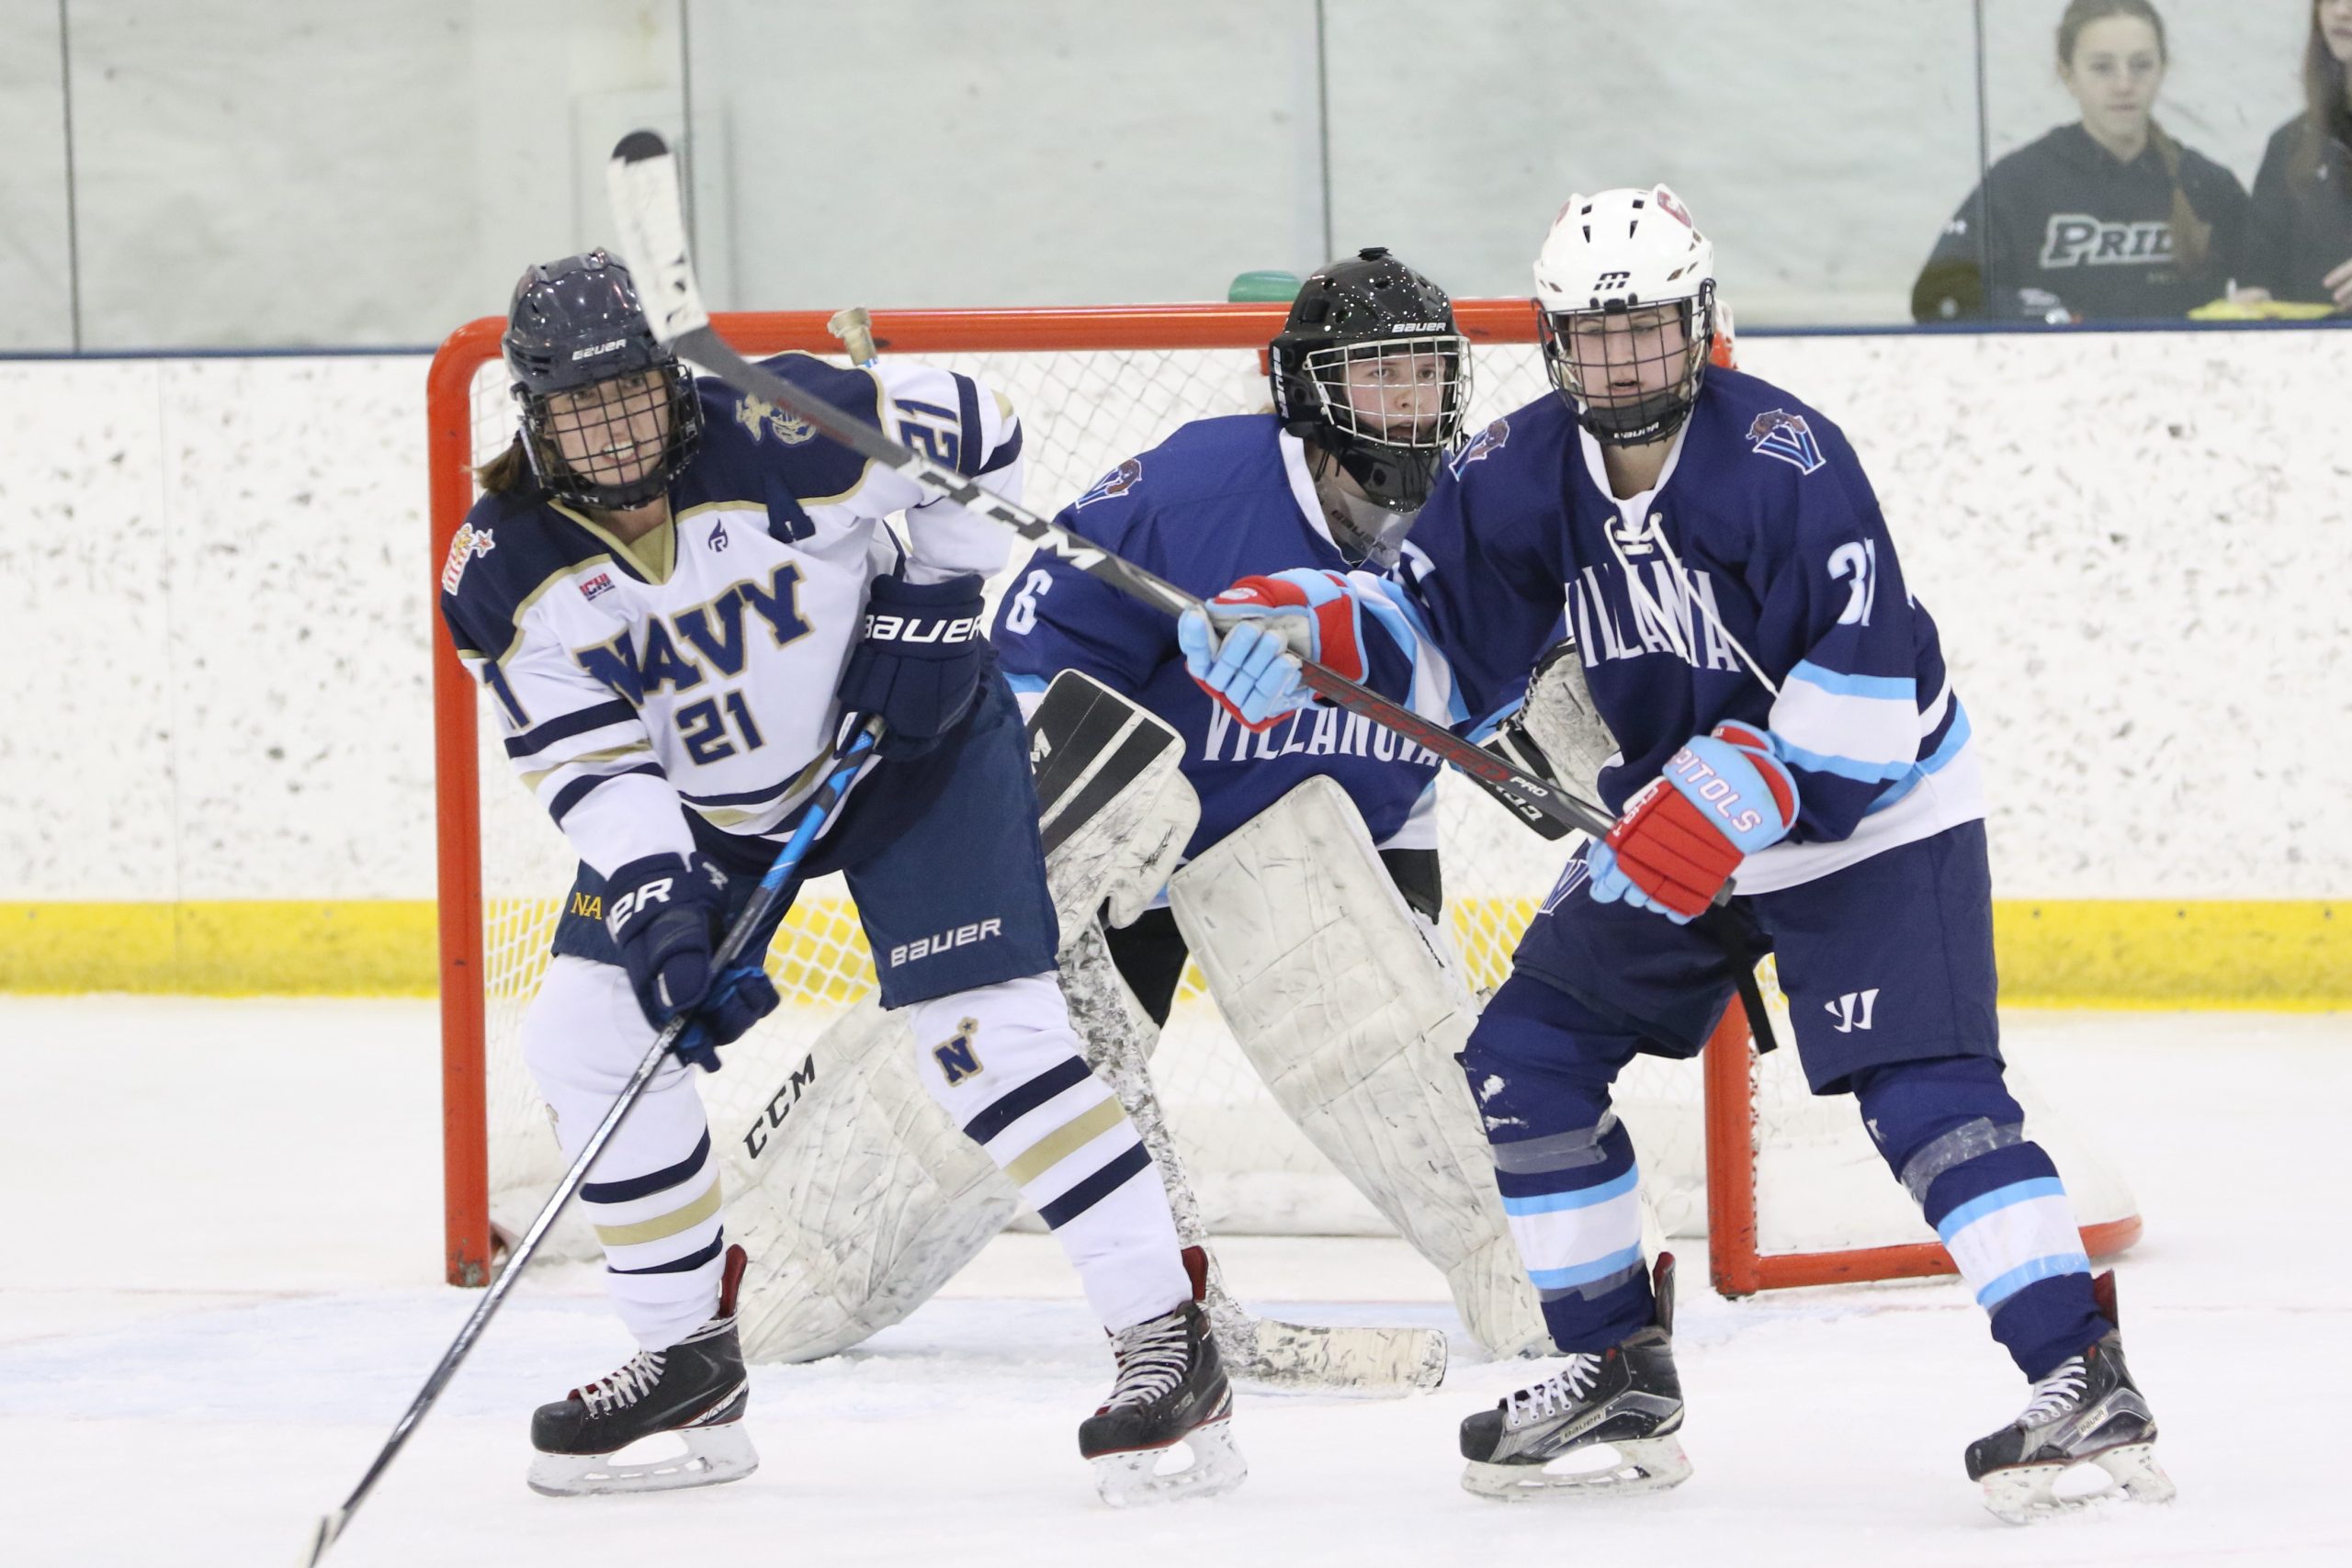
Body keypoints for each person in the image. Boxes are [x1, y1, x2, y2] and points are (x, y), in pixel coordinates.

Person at [1180, 186, 2173, 1521]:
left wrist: (1742, 780)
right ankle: (1612, 1367)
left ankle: (2080, 1370)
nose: (1624, 363)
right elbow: (1438, 646)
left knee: (1927, 1096)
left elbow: (1870, 690)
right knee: (1524, 1062)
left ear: (1699, 324)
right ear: (1550, 341)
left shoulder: (1787, 458)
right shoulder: (1520, 471)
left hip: (1870, 816)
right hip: (1677, 824)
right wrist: (1313, 632)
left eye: (1649, 331)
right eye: (1595, 336)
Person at [439, 250, 1241, 1506]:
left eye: (633, 395)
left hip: (914, 756)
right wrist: (657, 900)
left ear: (670, 382)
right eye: (578, 409)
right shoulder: (503, 571)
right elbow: (591, 761)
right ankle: (683, 1350)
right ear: (533, 422)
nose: (614, 431)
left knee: (989, 1041)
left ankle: (1163, 1337)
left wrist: (932, 589)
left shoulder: (784, 420)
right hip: (706, 813)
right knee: (588, 1033)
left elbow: (982, 429)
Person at [989, 248, 1552, 1359]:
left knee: (1419, 1066)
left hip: (1363, 823)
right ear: (1308, 390)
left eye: (1426, 375)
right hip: (1157, 836)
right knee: (1062, 1066)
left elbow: (1489, 684)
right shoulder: (1197, 489)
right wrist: (1060, 809)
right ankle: (1154, 1296)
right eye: (1378, 374)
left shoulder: (1478, 509)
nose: (1409, 402)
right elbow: (1032, 635)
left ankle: (1544, 1274)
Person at [1912, 0, 2249, 322]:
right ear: (2068, 75)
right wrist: (2047, 318)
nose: (2124, 85)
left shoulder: (2207, 185)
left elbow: (2275, 286)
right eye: (2102, 67)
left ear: (2163, 69)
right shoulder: (2020, 183)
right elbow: (1937, 297)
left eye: (2141, 65)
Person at [2239, 0, 2352, 310]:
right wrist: (2257, 301)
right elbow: (2258, 274)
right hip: (2313, 354)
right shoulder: (2288, 145)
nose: (2341, 11)